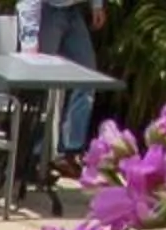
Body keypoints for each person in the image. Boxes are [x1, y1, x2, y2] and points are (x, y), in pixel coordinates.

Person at [17, 0, 107, 174]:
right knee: (40, 83)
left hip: (73, 11)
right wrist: (29, 40)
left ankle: (69, 151)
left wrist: (96, 5)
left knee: (87, 78)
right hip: (47, 10)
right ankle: (32, 156)